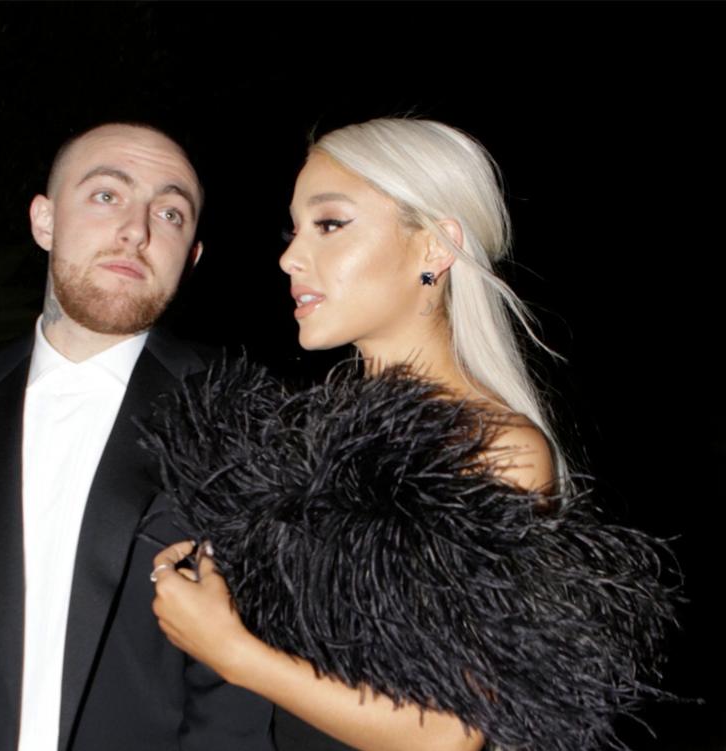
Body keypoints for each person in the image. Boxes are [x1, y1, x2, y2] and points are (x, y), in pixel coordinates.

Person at [147, 118, 672, 751]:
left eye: (330, 224)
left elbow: (451, 732)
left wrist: (231, 650)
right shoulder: (307, 435)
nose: (290, 256)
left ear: (433, 250)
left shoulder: (491, 447)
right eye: (295, 229)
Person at [0, 123, 273, 750]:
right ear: (44, 221)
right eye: (106, 196)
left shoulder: (242, 419)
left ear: (193, 256)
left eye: (171, 212)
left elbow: (237, 696)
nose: (137, 230)